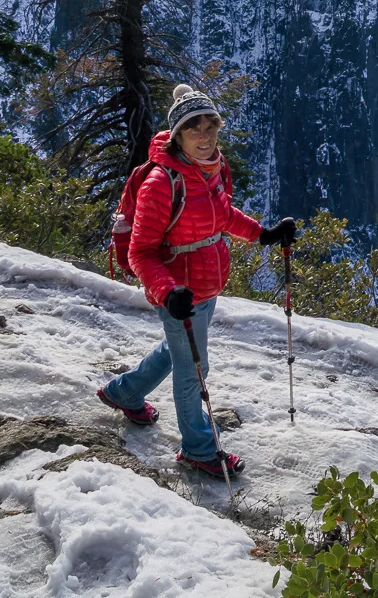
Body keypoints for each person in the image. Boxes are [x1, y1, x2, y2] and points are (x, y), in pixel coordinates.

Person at [96, 84, 296, 477]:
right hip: (178, 290)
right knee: (193, 370)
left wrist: (264, 234)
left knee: (176, 353)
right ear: (177, 136)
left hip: (204, 285)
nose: (204, 137)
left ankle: (123, 392)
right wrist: (168, 292)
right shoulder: (160, 183)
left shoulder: (213, 168)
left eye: (210, 127)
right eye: (194, 129)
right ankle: (199, 448)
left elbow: (222, 216)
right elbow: (141, 253)